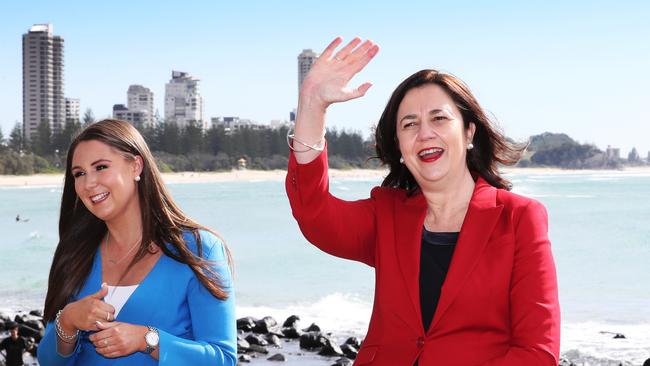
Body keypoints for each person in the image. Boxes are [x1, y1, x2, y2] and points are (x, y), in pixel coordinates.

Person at [286, 37, 560, 365]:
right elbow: (313, 212)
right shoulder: (385, 214)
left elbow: (537, 352)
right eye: (409, 124)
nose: (424, 133)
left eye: (439, 119)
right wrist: (313, 105)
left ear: (469, 132)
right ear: (400, 147)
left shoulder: (519, 218)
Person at [37, 119, 236, 365]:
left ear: (136, 166)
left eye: (100, 167)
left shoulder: (198, 248)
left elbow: (224, 359)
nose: (88, 183)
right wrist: (67, 321)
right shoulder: (74, 253)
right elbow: (48, 362)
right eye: (79, 173)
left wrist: (147, 340)